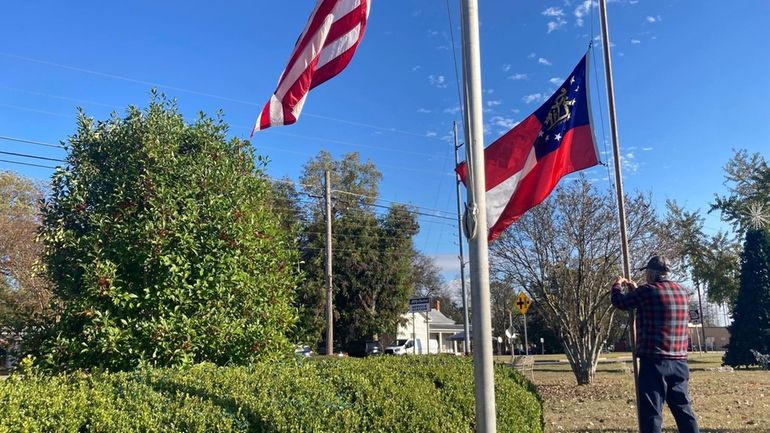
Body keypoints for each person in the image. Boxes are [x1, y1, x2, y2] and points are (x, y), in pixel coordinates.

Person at [611, 255, 700, 433]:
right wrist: (637, 290)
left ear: (652, 273)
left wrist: (617, 285)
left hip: (654, 360)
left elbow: (620, 302)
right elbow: (658, 304)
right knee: (683, 408)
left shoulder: (647, 291)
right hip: (680, 361)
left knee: (651, 411)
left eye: (647, 273)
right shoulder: (682, 292)